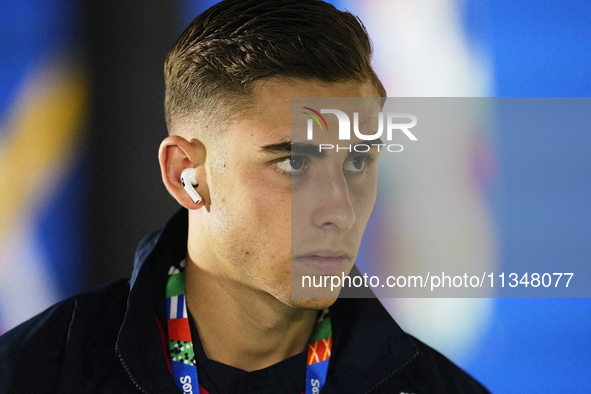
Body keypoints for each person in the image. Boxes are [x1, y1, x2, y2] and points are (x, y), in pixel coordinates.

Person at [0, 0, 490, 393]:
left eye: (358, 161)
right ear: (184, 173)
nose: (340, 209)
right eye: (294, 163)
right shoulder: (32, 375)